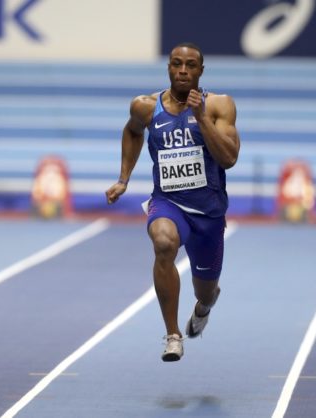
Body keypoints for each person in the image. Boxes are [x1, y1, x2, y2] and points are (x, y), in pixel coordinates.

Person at [105, 42, 240, 361]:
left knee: (204, 290)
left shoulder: (220, 106)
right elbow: (132, 131)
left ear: (200, 71)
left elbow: (229, 158)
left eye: (190, 65)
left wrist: (201, 117)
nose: (182, 70)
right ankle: (172, 334)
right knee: (163, 243)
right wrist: (123, 178)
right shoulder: (145, 106)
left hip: (208, 213)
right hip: (168, 203)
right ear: (168, 67)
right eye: (176, 64)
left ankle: (205, 305)